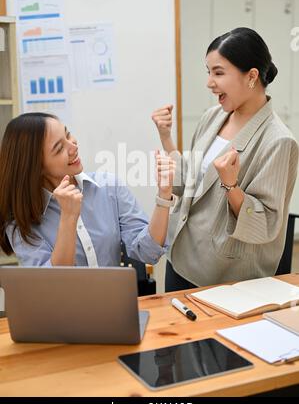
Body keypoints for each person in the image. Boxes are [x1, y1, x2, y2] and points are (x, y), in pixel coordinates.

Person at [152, 27, 299, 292]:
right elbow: (191, 183)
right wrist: (166, 138)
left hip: (224, 277)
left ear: (252, 76)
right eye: (208, 72)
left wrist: (231, 186)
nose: (209, 82)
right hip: (182, 258)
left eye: (218, 73)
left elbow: (266, 224)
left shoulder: (279, 141)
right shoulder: (213, 117)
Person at [0, 113, 175, 267]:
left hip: (113, 302)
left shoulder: (108, 187)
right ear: (36, 167)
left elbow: (148, 252)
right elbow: (52, 285)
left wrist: (164, 194)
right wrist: (68, 217)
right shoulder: (20, 223)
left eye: (68, 134)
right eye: (59, 148)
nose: (73, 147)